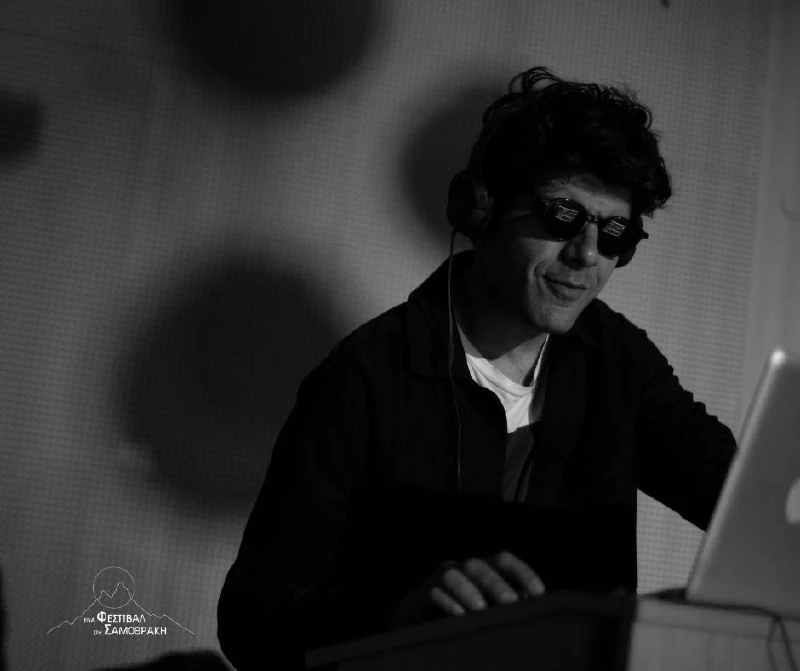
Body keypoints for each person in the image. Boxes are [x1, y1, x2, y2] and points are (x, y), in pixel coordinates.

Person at [217, 66, 737, 669]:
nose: (587, 255)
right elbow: (252, 617)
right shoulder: (365, 377)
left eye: (614, 233)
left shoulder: (620, 362)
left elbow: (740, 499)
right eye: (562, 217)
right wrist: (395, 617)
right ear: (483, 207)